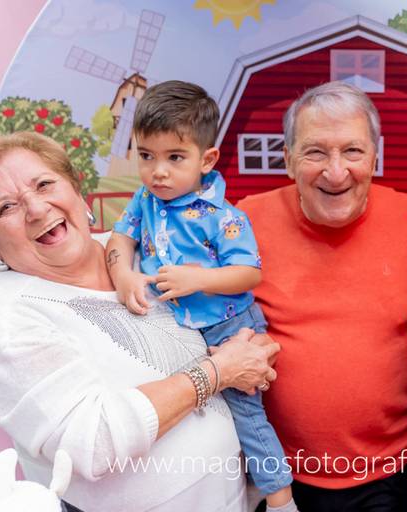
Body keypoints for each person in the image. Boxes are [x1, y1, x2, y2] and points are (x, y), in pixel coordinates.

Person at [0, 131, 280, 512]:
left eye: (44, 184)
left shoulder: (140, 248)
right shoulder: (0, 308)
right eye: (6, 207)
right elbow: (92, 443)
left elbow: (225, 321)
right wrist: (219, 372)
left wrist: (253, 348)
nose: (37, 209)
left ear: (76, 190)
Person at [106, 81, 296, 512]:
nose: (158, 172)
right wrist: (123, 275)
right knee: (194, 412)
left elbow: (249, 273)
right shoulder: (145, 200)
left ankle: (281, 499)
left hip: (229, 325)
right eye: (146, 156)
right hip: (179, 327)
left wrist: (199, 279)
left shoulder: (225, 217)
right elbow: (121, 237)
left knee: (246, 416)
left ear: (206, 160)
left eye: (174, 158)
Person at [237, 81, 407, 512]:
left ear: (375, 158)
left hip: (386, 473)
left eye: (352, 151)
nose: (336, 172)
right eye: (316, 152)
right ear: (288, 160)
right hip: (276, 476)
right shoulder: (244, 222)